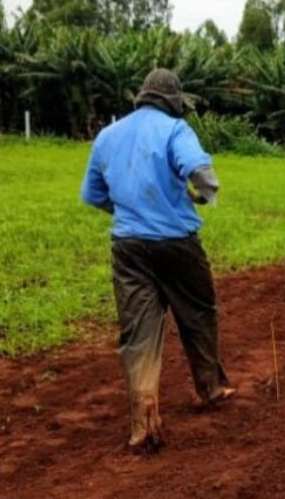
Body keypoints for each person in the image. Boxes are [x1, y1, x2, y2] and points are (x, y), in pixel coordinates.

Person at [80, 68, 235, 450]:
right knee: (198, 313)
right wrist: (204, 194)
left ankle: (142, 418)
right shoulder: (175, 129)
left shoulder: (108, 134)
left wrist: (130, 211)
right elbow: (201, 173)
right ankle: (210, 388)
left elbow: (95, 195)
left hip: (128, 246)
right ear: (172, 101)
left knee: (138, 332)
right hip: (176, 242)